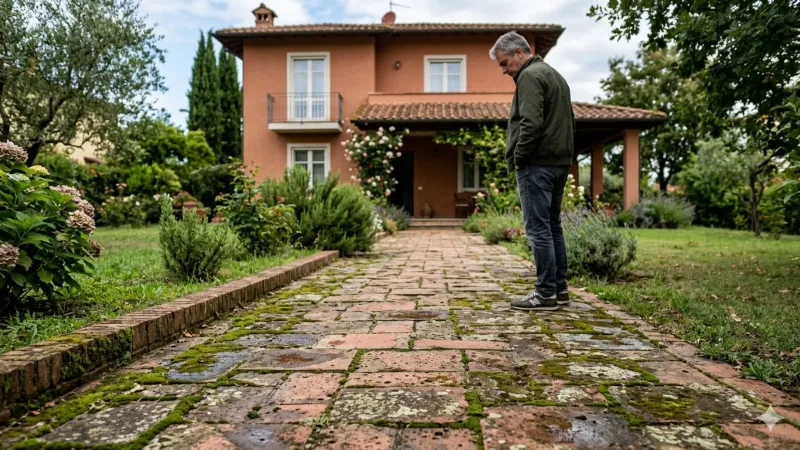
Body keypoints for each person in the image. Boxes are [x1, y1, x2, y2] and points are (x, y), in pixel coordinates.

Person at [489, 31, 575, 311]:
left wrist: (519, 158)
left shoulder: (529, 75)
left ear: (518, 52)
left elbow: (530, 123)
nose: (503, 71)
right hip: (559, 163)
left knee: (538, 229)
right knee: (552, 226)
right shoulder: (555, 75)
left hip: (536, 164)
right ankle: (560, 291)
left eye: (504, 63)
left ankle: (545, 293)